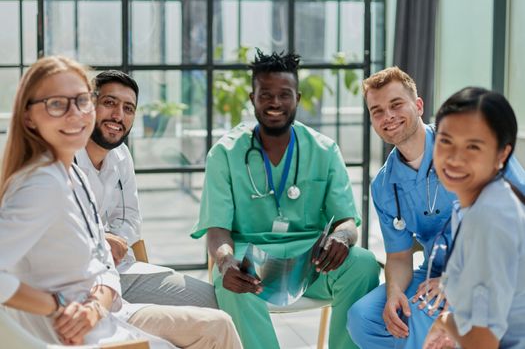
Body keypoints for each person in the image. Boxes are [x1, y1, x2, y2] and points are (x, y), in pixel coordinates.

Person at [191, 49, 380, 349]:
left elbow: (346, 220)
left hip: (313, 263)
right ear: (252, 98)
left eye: (284, 94)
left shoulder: (324, 150)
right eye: (266, 94)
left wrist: (342, 237)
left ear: (298, 98)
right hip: (251, 263)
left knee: (364, 263)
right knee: (231, 280)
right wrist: (225, 261)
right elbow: (217, 231)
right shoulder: (224, 154)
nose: (275, 103)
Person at [0, 55, 173, 348]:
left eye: (81, 102)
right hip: (77, 332)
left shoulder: (72, 177)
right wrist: (56, 304)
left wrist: (95, 305)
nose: (74, 114)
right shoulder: (42, 184)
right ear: (28, 116)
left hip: (102, 311)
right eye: (57, 103)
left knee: (214, 325)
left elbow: (104, 262)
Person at [347, 67, 525, 349]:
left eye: (396, 105)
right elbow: (398, 255)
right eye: (377, 111)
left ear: (418, 106)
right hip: (434, 270)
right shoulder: (384, 185)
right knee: (364, 318)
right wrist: (394, 293)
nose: (388, 116)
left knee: (421, 311)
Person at [74, 70, 243, 348]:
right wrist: (102, 240)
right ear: (88, 106)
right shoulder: (60, 160)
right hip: (84, 279)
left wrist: (117, 242)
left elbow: (130, 220)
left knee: (217, 300)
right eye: (109, 103)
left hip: (122, 271)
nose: (118, 115)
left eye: (128, 108)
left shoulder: (121, 155)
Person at [423, 87, 525, 349]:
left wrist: (445, 322)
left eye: (473, 146)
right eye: (446, 141)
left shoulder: (489, 218)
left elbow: (482, 343)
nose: (455, 159)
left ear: (502, 154)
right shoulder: (481, 203)